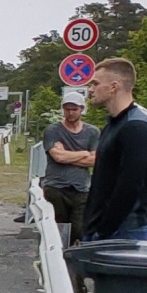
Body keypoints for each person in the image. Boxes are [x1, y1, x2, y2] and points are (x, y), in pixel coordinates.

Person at [82, 58, 147, 242]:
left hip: (122, 231)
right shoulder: (115, 124)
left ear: (114, 87)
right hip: (102, 227)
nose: (90, 89)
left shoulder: (136, 127)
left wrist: (104, 231)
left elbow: (130, 186)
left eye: (95, 83)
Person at [40, 87, 97, 241]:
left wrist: (68, 155)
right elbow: (58, 157)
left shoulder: (92, 132)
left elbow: (95, 159)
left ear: (81, 110)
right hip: (56, 187)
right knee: (59, 228)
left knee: (79, 229)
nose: (71, 113)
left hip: (81, 188)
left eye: (74, 109)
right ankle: (57, 260)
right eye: (67, 109)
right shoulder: (53, 130)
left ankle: (72, 257)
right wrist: (84, 153)